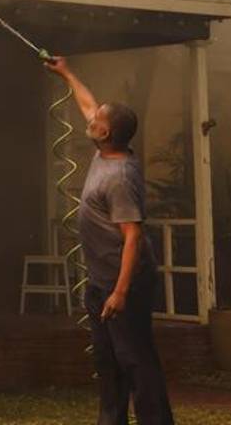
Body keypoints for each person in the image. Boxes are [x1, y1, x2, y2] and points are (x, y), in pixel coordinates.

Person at [44, 56, 174, 425]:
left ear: (105, 134)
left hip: (124, 283)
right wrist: (66, 72)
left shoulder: (118, 177)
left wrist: (119, 291)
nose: (91, 118)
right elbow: (87, 105)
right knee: (108, 359)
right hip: (102, 280)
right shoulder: (106, 147)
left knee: (136, 360)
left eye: (97, 120)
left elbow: (133, 237)